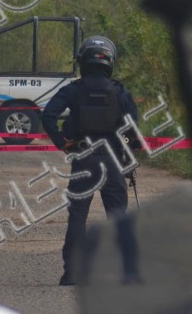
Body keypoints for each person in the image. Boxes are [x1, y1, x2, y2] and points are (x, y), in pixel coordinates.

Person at [42, 36, 140, 286]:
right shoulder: (120, 91)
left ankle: (72, 273)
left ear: (83, 61)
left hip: (83, 160)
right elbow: (133, 129)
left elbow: (48, 115)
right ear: (110, 61)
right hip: (113, 161)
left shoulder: (73, 90)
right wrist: (127, 150)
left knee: (77, 217)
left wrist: (62, 142)